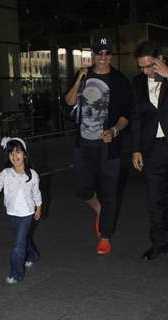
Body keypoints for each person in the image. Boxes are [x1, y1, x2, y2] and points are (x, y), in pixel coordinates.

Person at [64, 36, 132, 255]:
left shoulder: (120, 81)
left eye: (107, 53)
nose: (103, 57)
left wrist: (114, 130)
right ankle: (99, 209)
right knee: (82, 190)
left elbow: (125, 115)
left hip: (108, 146)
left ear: (112, 55)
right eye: (99, 53)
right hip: (83, 144)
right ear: (92, 55)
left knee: (109, 191)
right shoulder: (82, 76)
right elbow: (69, 102)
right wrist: (78, 81)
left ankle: (105, 236)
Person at [0, 137, 42, 284]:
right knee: (24, 238)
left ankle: (16, 274)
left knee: (18, 245)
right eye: (11, 154)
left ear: (25, 154)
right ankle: (32, 256)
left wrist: (38, 207)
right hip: (13, 213)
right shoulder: (5, 174)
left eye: (18, 152)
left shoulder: (32, 175)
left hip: (27, 213)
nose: (15, 156)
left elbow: (36, 193)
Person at [131, 40, 168, 260]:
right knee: (155, 200)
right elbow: (136, 117)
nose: (145, 71)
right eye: (141, 67)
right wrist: (136, 149)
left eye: (149, 66)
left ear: (160, 59)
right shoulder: (137, 83)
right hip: (152, 150)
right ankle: (159, 243)